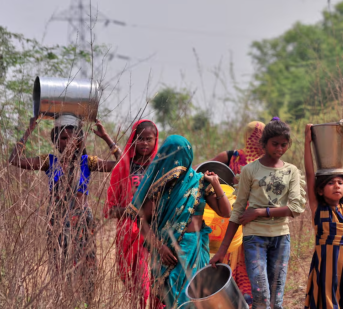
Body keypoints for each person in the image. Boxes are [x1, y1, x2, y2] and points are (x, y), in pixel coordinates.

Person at [9, 114, 121, 304]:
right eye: (63, 138)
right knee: (59, 266)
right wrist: (29, 129)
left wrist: (105, 137)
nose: (68, 142)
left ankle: (86, 303)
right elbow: (15, 160)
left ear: (79, 142)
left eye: (73, 138)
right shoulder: (49, 162)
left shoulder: (87, 162)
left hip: (82, 222)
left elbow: (122, 164)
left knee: (87, 267)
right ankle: (63, 302)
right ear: (56, 142)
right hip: (57, 222)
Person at [124, 135, 231, 308]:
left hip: (195, 250)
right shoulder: (158, 188)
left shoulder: (199, 183)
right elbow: (141, 221)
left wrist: (216, 184)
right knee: (176, 300)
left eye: (179, 158)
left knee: (198, 298)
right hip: (170, 255)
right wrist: (159, 247)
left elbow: (226, 212)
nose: (175, 165)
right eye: (172, 158)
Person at [210, 117, 306, 309]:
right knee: (261, 296)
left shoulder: (291, 171)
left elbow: (296, 208)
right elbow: (237, 211)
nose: (279, 149)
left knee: (276, 300)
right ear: (263, 144)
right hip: (254, 239)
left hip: (281, 238)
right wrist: (222, 250)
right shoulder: (249, 170)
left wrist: (260, 212)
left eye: (284, 145)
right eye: (275, 144)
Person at [303, 123, 343, 309]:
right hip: (325, 270)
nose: (337, 185)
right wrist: (307, 143)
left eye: (339, 182)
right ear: (320, 190)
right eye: (330, 183)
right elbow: (310, 175)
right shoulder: (317, 209)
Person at [209, 120, 265, 305]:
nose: (258, 141)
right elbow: (205, 171)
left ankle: (249, 301)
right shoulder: (231, 156)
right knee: (231, 258)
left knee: (253, 263)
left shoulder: (269, 161)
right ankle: (231, 299)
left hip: (257, 221)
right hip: (233, 218)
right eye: (255, 137)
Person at [104, 119, 159, 308]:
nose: (144, 143)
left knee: (154, 284)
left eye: (148, 139)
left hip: (155, 233)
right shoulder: (123, 168)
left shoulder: (160, 169)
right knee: (136, 283)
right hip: (130, 233)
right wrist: (131, 212)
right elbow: (111, 209)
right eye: (140, 139)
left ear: (155, 140)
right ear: (133, 140)